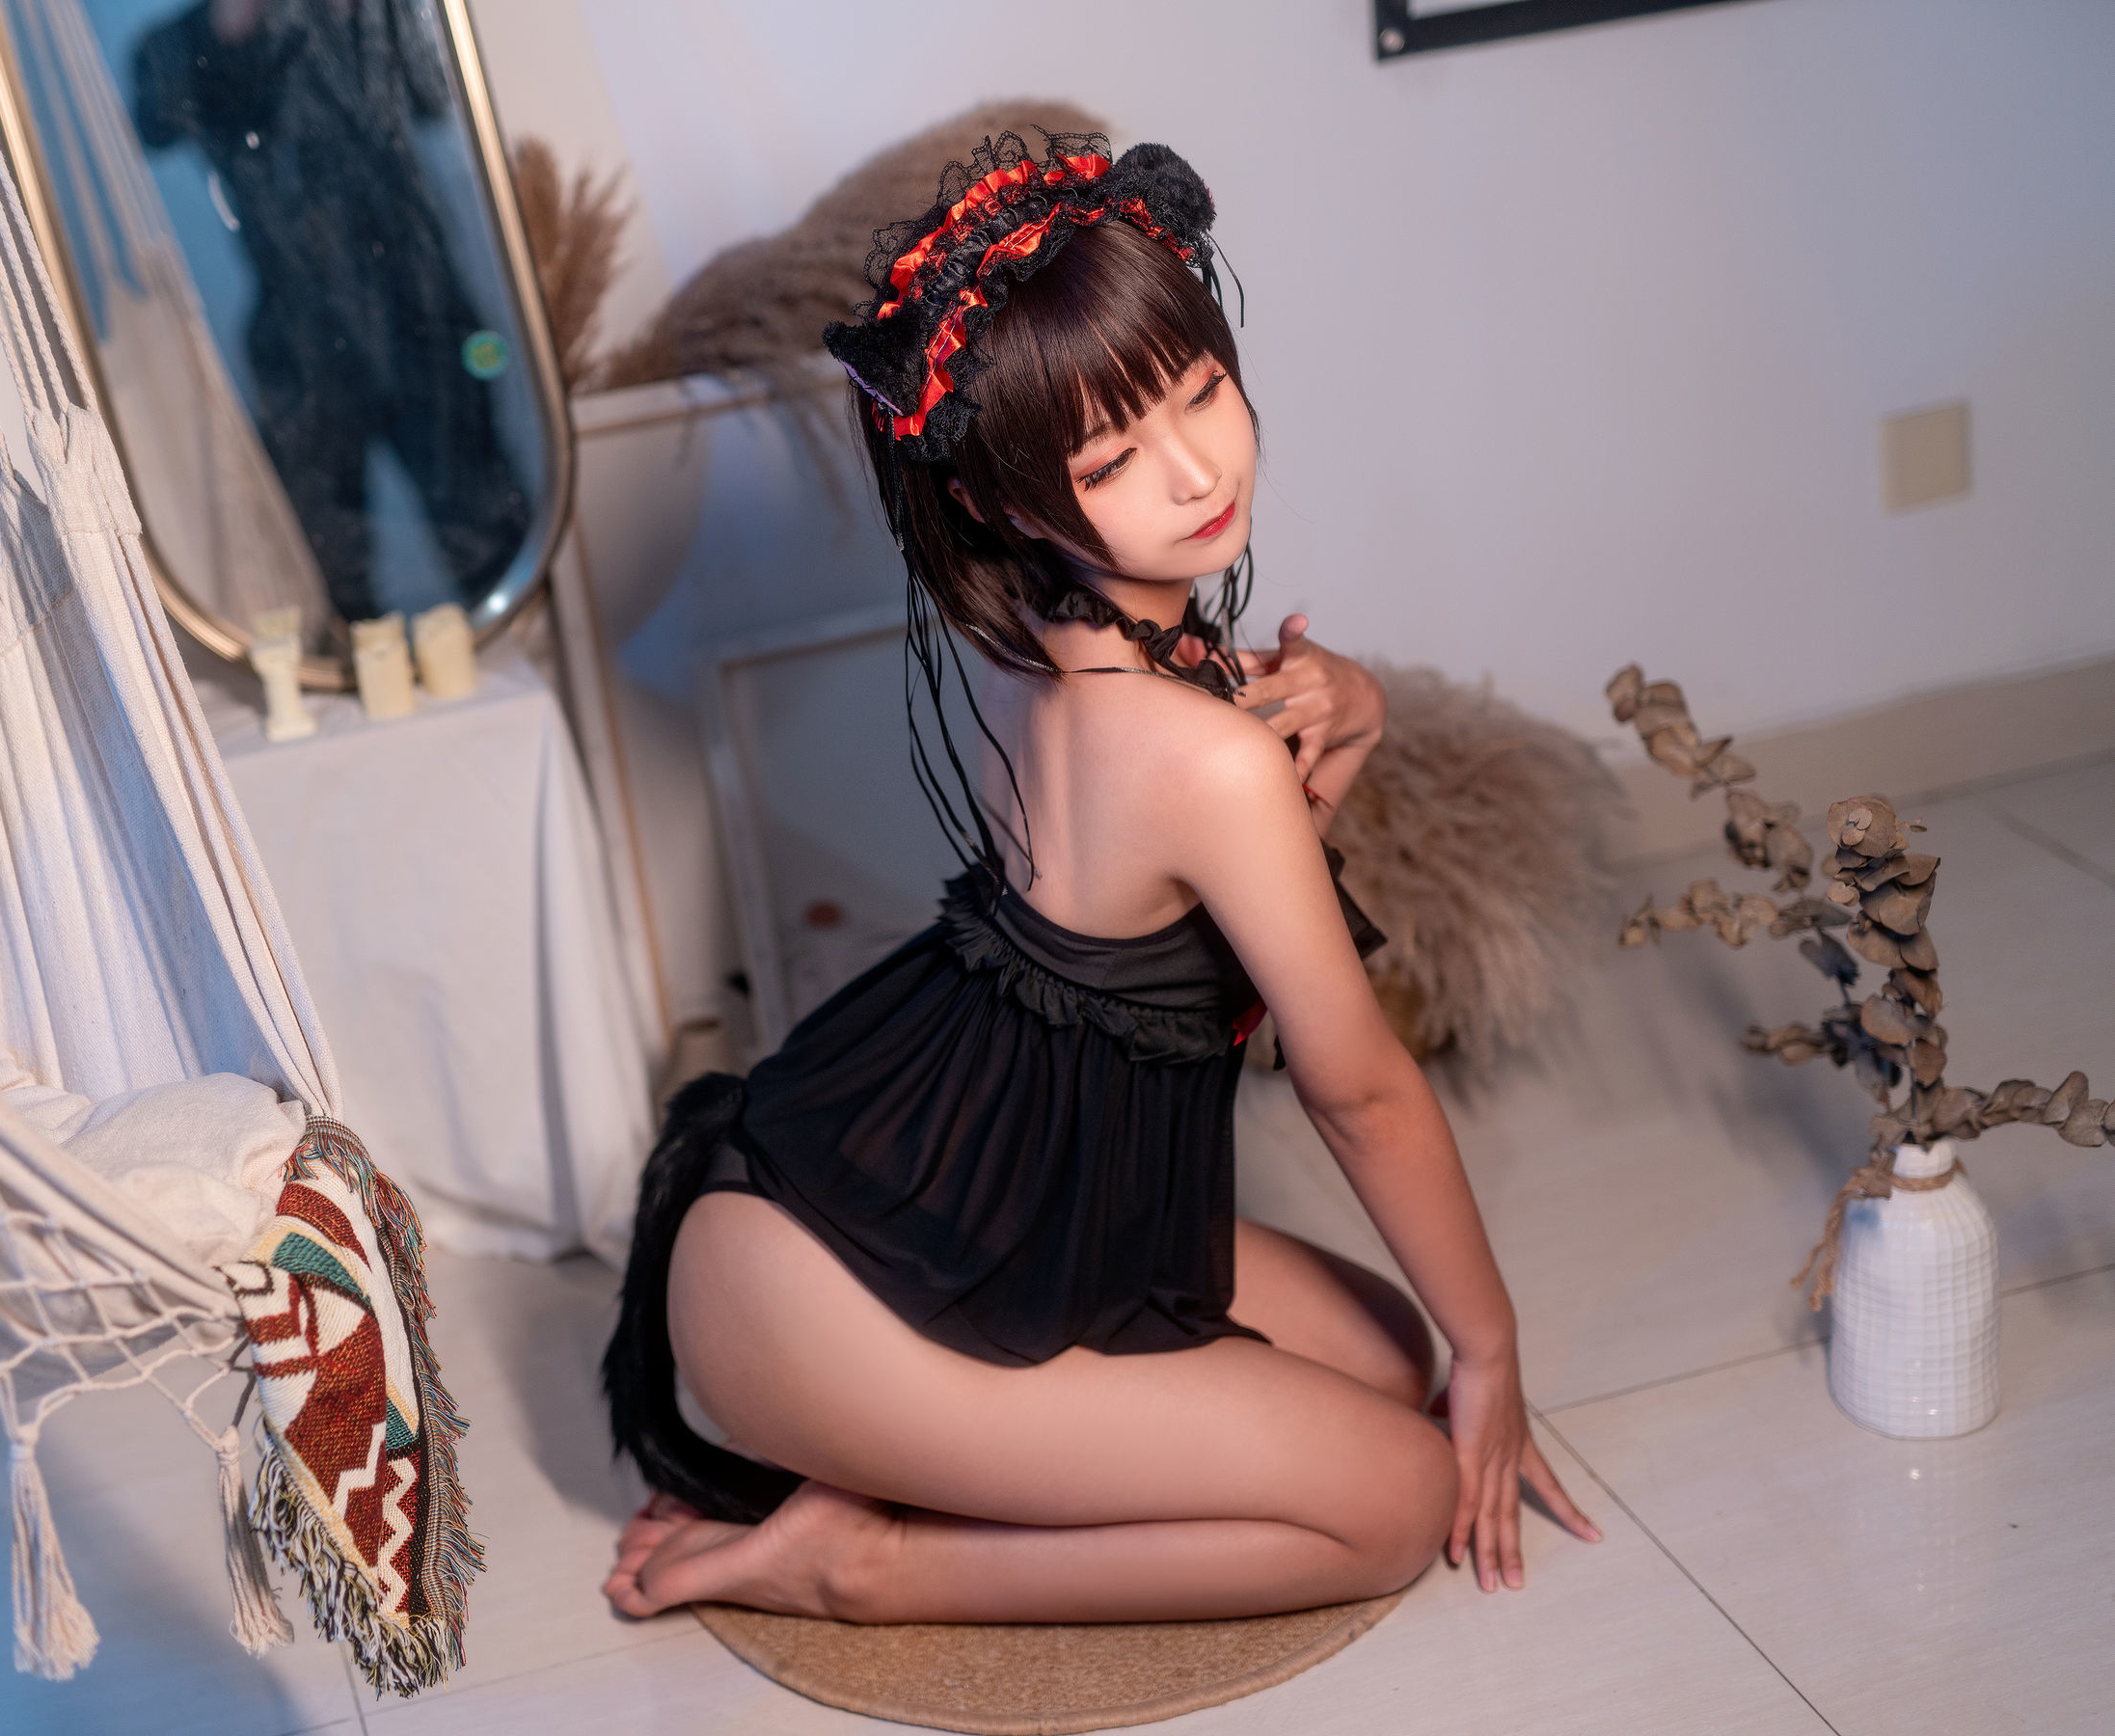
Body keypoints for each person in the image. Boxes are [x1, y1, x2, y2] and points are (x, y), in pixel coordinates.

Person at [600, 132, 1600, 1626]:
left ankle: (899, 1472)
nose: (1194, 471)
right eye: (1110, 458)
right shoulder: (1195, 757)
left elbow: (1223, 839)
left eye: (1196, 391)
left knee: (1387, 1356)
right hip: (822, 1305)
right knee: (1394, 1498)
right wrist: (1496, 1346)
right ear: (1008, 501)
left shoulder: (1033, 636)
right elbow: (1359, 1091)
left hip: (940, 1196)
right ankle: (861, 1561)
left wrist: (1354, 705)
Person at [133, 0, 529, 622]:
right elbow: (154, 121)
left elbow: (434, 93)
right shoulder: (182, 45)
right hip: (302, 339)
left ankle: (516, 645)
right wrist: (230, 27)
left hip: (421, 311)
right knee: (327, 580)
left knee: (488, 531)